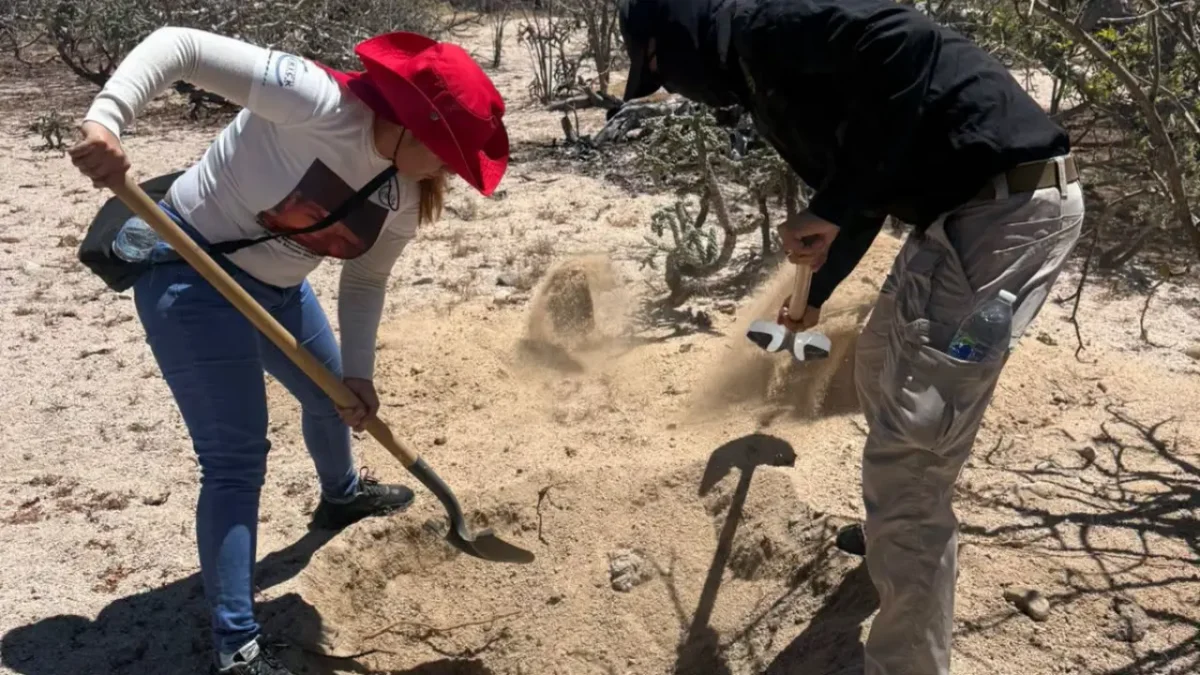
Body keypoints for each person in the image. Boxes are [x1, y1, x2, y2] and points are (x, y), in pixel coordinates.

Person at [615, 0, 1084, 673]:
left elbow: (908, 46)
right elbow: (859, 189)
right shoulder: (757, 70)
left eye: (658, 64)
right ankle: (893, 541)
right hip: (961, 217)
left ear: (679, 32)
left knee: (912, 463)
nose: (666, 82)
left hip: (1003, 213)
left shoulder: (764, 28)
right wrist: (819, 289)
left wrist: (832, 207)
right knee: (877, 356)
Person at [68, 26, 509, 675]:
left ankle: (340, 495)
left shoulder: (407, 201)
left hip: (278, 290)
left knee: (333, 398)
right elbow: (176, 48)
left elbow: (364, 280)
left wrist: (358, 375)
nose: (450, 171)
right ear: (417, 128)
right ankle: (237, 646)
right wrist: (107, 120)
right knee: (236, 459)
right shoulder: (315, 101)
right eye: (449, 155)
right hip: (190, 272)